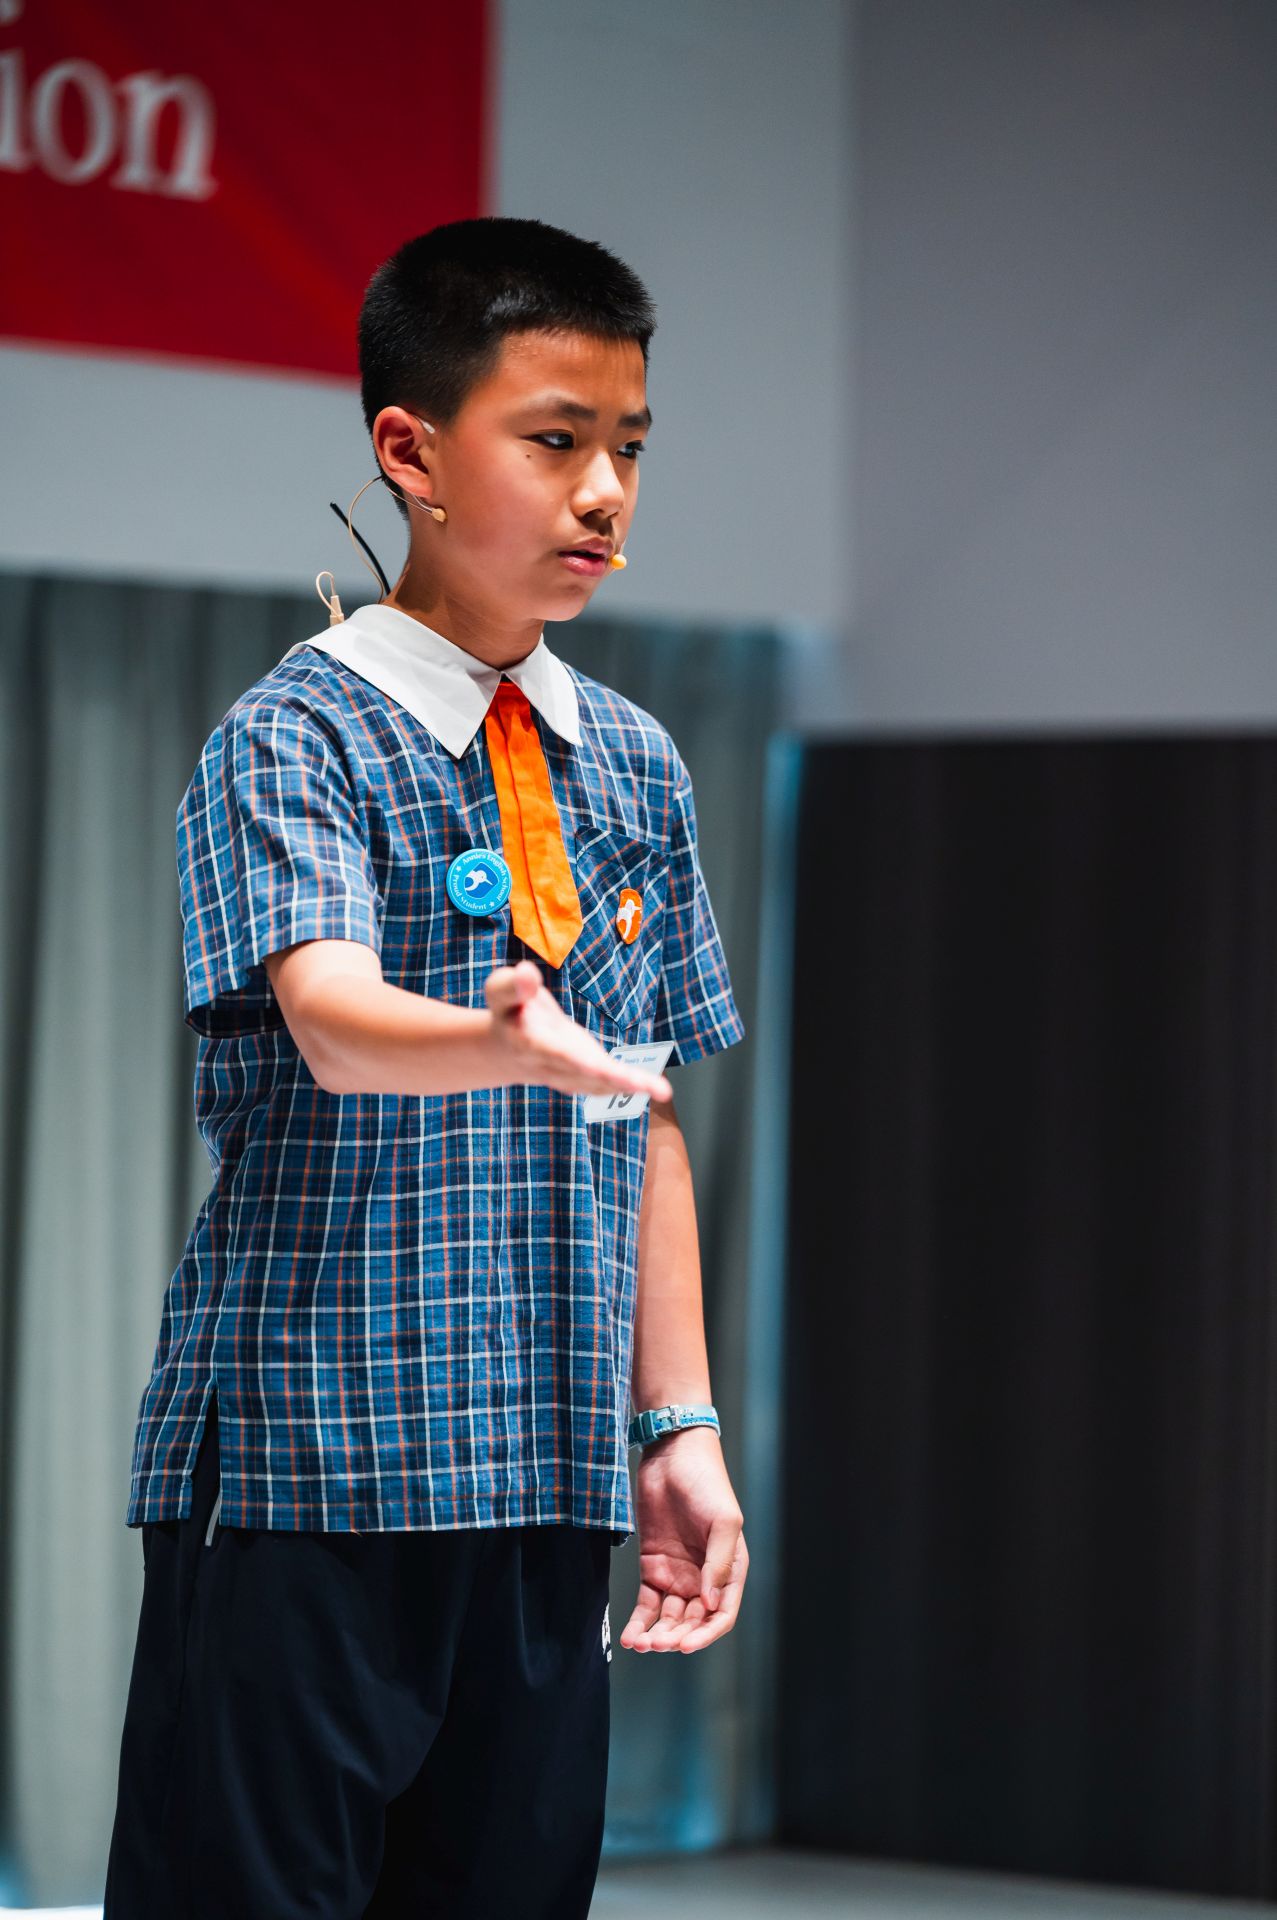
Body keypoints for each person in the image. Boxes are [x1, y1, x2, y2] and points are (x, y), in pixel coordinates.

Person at [104, 215, 749, 1919]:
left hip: (542, 1481)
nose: (603, 493)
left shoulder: (635, 762)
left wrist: (676, 1425)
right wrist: (501, 1039)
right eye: (554, 440)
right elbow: (328, 1015)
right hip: (311, 1474)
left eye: (628, 448)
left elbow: (647, 1116)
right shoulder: (296, 730)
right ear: (410, 452)